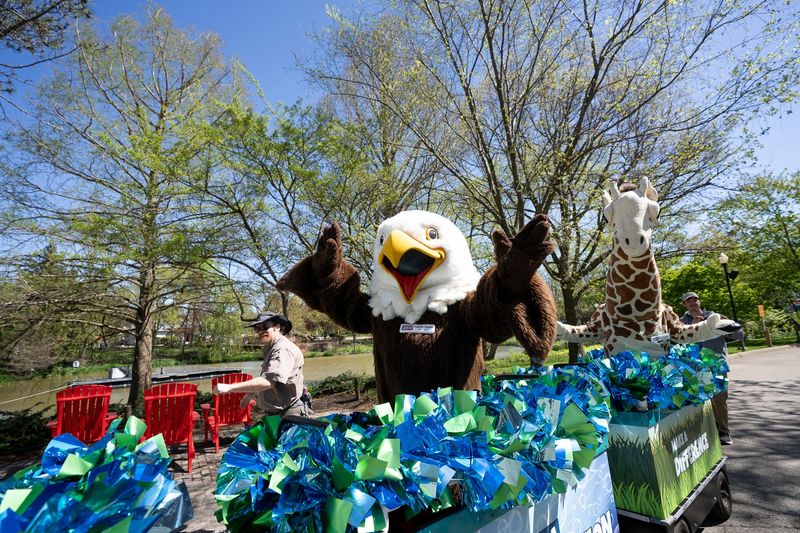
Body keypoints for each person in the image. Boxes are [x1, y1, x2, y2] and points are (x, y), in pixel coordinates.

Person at [213, 311, 309, 417]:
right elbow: (266, 376)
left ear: (277, 327)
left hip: (289, 414)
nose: (261, 331)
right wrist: (249, 395)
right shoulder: (271, 347)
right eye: (257, 328)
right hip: (276, 415)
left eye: (265, 326)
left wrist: (229, 387)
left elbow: (268, 381)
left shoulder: (282, 349)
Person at [680, 292, 744, 445]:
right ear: (684, 305)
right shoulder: (681, 322)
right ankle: (707, 431)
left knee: (720, 399)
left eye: (695, 300)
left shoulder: (715, 317)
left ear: (699, 302)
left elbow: (739, 335)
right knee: (703, 400)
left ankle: (724, 432)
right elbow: (676, 341)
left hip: (717, 365)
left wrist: (724, 324)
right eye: (689, 301)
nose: (693, 303)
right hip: (697, 367)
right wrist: (692, 327)